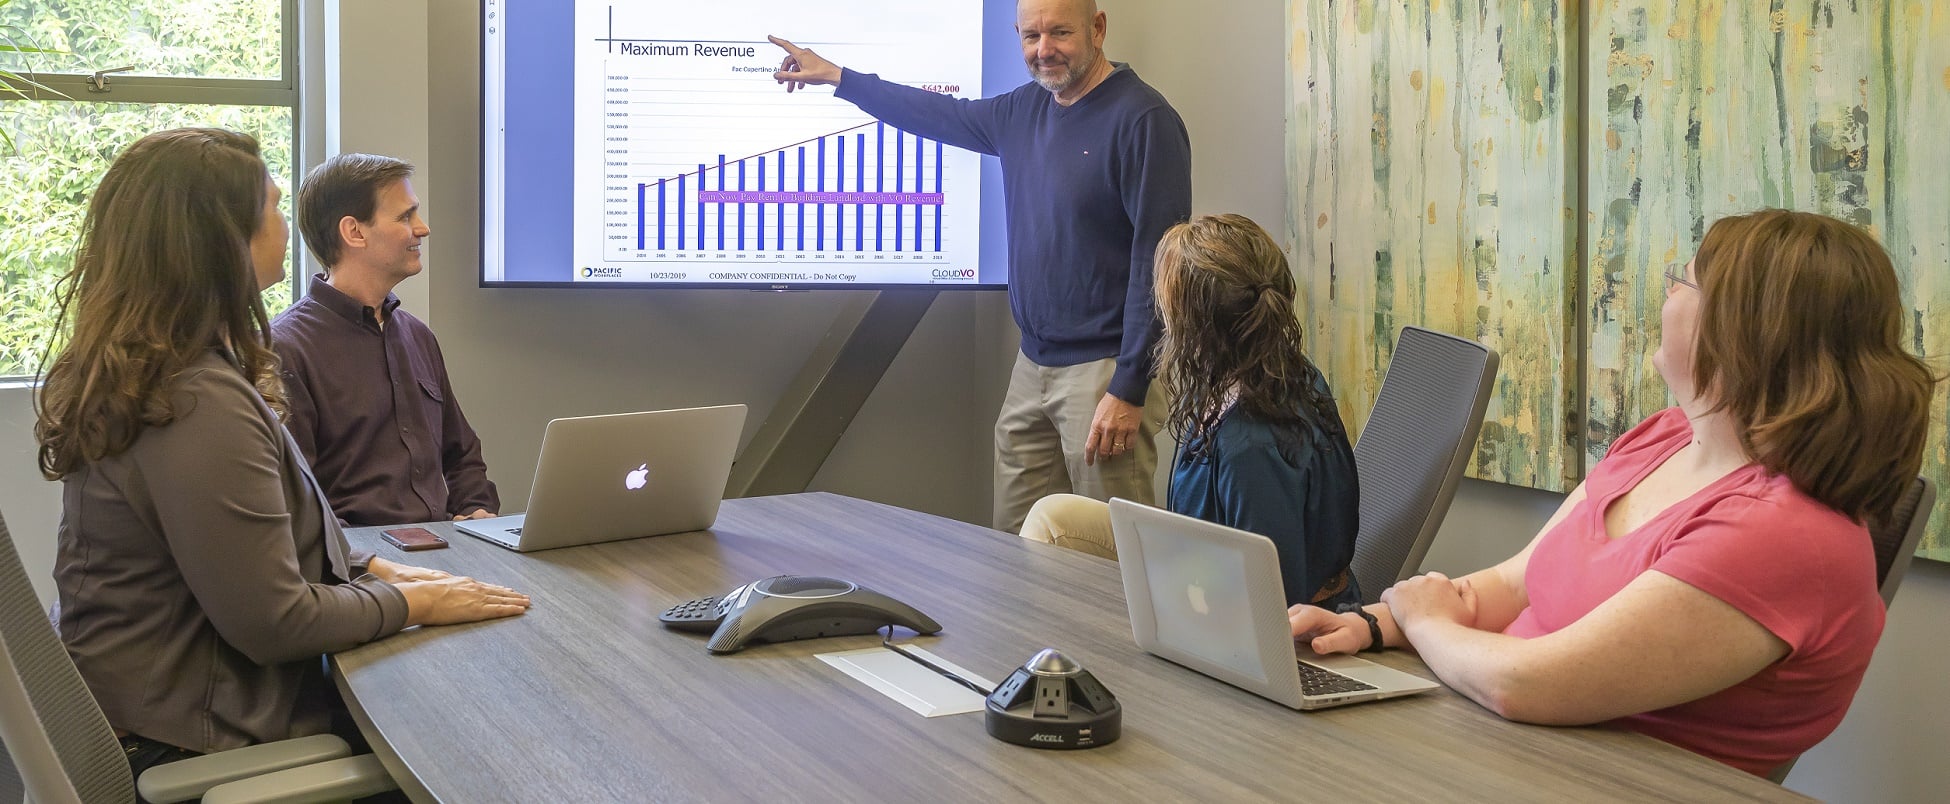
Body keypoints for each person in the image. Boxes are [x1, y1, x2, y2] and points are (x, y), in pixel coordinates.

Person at [1288, 209, 1936, 776]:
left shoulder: (1788, 537)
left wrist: (1425, 620)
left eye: (1684, 279)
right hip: (1504, 751)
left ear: (1744, 330)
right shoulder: (1665, 437)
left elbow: (1524, 685)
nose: (1667, 292)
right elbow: (1517, 584)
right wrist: (1376, 624)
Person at [34, 128, 529, 773]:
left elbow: (254, 545)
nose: (284, 229)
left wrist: (375, 570)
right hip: (194, 742)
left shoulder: (165, 374)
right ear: (218, 240)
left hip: (163, 709)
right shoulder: (194, 400)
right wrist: (421, 603)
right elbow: (276, 621)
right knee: (473, 756)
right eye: (269, 210)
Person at [769, 0, 1193, 533]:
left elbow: (1162, 265)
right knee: (1012, 545)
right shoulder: (1021, 111)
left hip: (1105, 372)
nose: (1044, 51)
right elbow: (936, 114)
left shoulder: (1144, 120)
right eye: (1031, 36)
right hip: (1032, 364)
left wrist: (1130, 386)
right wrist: (839, 77)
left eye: (1060, 33)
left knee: (1115, 560)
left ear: (1098, 28)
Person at [1021, 214, 1360, 608]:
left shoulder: (1252, 450)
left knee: (1055, 540)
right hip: (1199, 558)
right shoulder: (1273, 369)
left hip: (1224, 604)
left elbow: (1268, 606)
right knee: (1053, 517)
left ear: (1196, 328)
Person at [273, 153, 499, 527]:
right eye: (405, 216)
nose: (422, 228)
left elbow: (463, 457)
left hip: (445, 551)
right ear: (354, 232)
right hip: (356, 571)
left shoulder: (417, 336)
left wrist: (477, 512)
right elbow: (296, 502)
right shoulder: (285, 349)